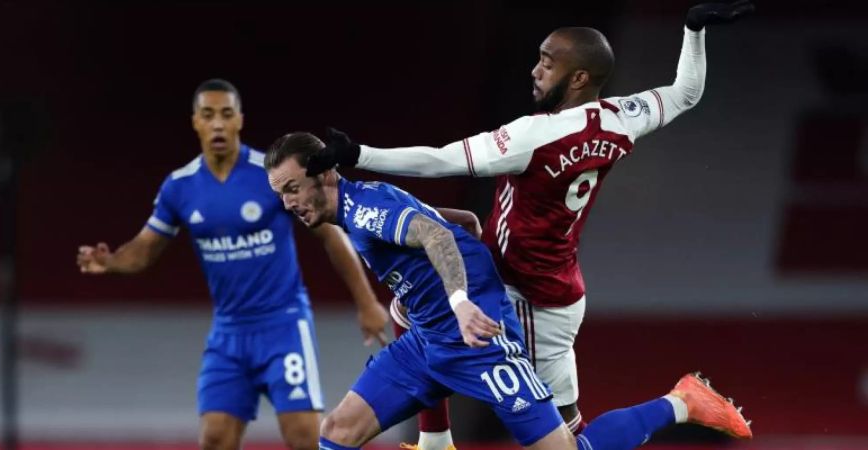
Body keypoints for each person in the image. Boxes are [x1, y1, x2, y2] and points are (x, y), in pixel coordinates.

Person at [304, 2, 754, 448]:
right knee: (413, 308)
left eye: (547, 63)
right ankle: (435, 441)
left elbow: (440, 160)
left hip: (529, 296)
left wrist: (360, 155)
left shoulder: (532, 137)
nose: (535, 72)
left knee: (566, 443)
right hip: (544, 279)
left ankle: (681, 405)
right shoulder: (622, 118)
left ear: (579, 78)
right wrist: (693, 30)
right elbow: (685, 93)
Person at [264, 131, 752, 450]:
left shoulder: (366, 211)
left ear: (325, 174)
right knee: (337, 432)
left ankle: (684, 402)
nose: (287, 204)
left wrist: (458, 301)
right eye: (279, 194)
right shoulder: (362, 208)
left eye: (291, 188)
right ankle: (437, 439)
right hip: (429, 343)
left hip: (478, 340)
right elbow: (452, 223)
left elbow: (433, 237)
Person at [75, 79, 388, 450]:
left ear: (240, 120)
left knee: (304, 438)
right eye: (208, 115)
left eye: (226, 114)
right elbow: (144, 250)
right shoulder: (180, 187)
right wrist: (111, 262)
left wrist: (366, 302)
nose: (218, 124)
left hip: (283, 324)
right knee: (215, 438)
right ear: (196, 122)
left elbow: (331, 236)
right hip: (229, 333)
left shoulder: (270, 176)